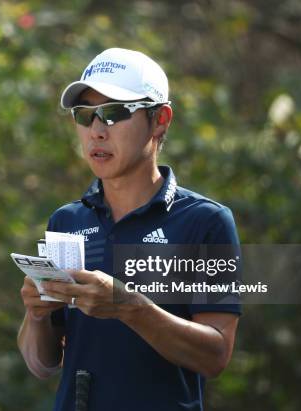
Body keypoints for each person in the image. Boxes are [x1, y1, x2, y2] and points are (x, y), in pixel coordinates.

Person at [17, 48, 241, 411]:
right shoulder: (67, 221)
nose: (97, 131)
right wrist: (37, 315)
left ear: (160, 120)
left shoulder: (205, 221)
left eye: (115, 112)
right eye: (85, 114)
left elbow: (215, 355)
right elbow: (42, 363)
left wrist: (129, 306)